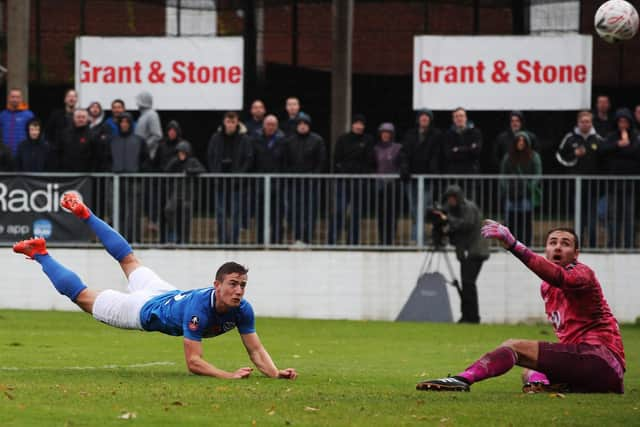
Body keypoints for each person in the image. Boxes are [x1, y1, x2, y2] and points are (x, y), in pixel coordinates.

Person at [12, 193, 298, 381]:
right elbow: (194, 363)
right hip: (143, 310)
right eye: (233, 284)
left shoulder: (243, 309)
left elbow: (256, 350)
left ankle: (86, 214)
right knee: (83, 296)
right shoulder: (200, 310)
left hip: (165, 292)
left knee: (128, 259)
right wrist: (228, 376)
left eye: (242, 286)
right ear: (216, 285)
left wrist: (275, 373)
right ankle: (40, 252)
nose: (238, 291)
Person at [417, 222, 625, 394]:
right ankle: (540, 387)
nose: (558, 247)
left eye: (566, 243)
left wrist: (513, 245)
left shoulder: (582, 273)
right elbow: (552, 279)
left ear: (576, 253)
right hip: (591, 369)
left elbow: (558, 276)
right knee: (528, 368)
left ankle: (462, 379)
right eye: (553, 242)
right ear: (546, 250)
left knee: (514, 346)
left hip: (601, 359)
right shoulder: (547, 288)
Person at [430, 185, 489, 323]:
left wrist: (447, 218)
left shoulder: (468, 208)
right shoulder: (454, 211)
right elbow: (455, 229)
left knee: (468, 283)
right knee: (466, 283)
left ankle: (472, 317)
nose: (450, 201)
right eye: (449, 199)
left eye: (452, 198)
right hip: (468, 251)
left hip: (476, 250)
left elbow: (466, 225)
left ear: (458, 198)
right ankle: (467, 316)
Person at [556, 111, 604, 248]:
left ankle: (593, 246)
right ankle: (577, 246)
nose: (585, 124)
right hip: (575, 187)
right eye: (582, 121)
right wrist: (574, 155)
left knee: (592, 219)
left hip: (593, 188)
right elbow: (560, 157)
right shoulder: (570, 138)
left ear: (591, 122)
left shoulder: (598, 139)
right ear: (578, 122)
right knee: (578, 218)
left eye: (587, 121)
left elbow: (604, 162)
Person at [207, 111, 254, 244]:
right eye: (228, 121)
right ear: (224, 122)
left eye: (233, 122)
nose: (230, 125)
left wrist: (239, 174)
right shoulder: (216, 138)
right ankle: (222, 241)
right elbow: (210, 156)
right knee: (220, 214)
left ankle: (233, 241)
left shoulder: (244, 139)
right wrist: (215, 173)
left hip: (237, 184)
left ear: (237, 122)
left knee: (235, 214)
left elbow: (249, 158)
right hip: (220, 182)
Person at [330, 114, 375, 245]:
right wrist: (342, 171)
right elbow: (336, 159)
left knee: (356, 214)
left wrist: (361, 172)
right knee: (339, 210)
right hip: (343, 182)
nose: (359, 126)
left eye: (361, 124)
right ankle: (332, 240)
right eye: (357, 123)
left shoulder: (368, 140)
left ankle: (353, 242)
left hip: (359, 183)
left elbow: (369, 160)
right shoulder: (343, 139)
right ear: (352, 125)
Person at [399, 109, 442, 243]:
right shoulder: (410, 134)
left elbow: (437, 154)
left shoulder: (436, 134)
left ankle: (420, 239)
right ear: (418, 119)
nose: (424, 119)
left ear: (430, 120)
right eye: (422, 117)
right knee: (414, 209)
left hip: (427, 179)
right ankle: (417, 238)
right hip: (411, 178)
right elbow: (404, 153)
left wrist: (433, 171)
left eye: (426, 117)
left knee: (423, 209)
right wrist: (405, 169)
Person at [284, 112, 327, 244]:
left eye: (305, 124)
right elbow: (285, 161)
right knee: (293, 212)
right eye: (300, 124)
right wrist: (291, 175)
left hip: (310, 184)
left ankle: (307, 239)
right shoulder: (289, 141)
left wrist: (313, 175)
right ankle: (297, 238)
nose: (302, 126)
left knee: (310, 212)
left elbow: (321, 161)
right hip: (294, 184)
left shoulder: (317, 140)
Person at [600, 108, 640, 249]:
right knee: (613, 215)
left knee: (629, 216)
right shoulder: (611, 136)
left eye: (625, 121)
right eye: (620, 121)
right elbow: (602, 150)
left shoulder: (635, 136)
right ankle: (613, 243)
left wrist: (625, 146)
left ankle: (629, 243)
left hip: (630, 185)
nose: (623, 124)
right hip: (613, 184)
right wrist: (618, 145)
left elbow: (635, 151)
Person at [499, 131, 542, 246]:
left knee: (525, 220)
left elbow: (538, 174)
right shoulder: (508, 157)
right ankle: (510, 244)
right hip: (511, 192)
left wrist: (530, 187)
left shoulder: (534, 156)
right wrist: (506, 188)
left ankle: (526, 244)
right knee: (510, 220)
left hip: (526, 193)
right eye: (519, 140)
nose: (521, 143)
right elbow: (502, 174)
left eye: (523, 141)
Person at [251, 114, 287, 244]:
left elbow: (285, 162)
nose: (270, 127)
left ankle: (277, 242)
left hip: (277, 185)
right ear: (263, 125)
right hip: (260, 185)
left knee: (277, 216)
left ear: (277, 126)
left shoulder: (282, 140)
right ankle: (260, 242)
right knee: (260, 217)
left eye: (273, 125)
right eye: (268, 124)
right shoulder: (255, 139)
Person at [164, 141, 207, 244]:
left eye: (183, 152)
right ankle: (173, 234)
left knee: (186, 216)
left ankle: (185, 240)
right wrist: (174, 162)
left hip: (188, 194)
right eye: (179, 152)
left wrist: (190, 171)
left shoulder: (193, 161)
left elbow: (202, 170)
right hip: (176, 192)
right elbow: (166, 170)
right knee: (169, 210)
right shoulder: (175, 161)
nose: (181, 154)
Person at [374, 122, 401, 246]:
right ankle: (382, 239)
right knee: (381, 214)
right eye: (383, 133)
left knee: (392, 213)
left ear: (391, 134)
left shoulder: (397, 148)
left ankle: (390, 240)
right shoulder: (376, 148)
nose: (385, 135)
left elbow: (401, 165)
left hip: (393, 185)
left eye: (388, 133)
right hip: (379, 186)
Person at [440, 107, 482, 175]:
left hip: (471, 174)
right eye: (456, 116)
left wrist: (457, 149)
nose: (459, 118)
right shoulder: (448, 134)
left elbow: (476, 152)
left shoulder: (475, 132)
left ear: (466, 118)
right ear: (453, 119)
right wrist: (469, 148)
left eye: (461, 116)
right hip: (454, 174)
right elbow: (448, 154)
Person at [0, 88, 35, 158]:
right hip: (5, 156)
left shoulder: (29, 115)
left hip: (23, 155)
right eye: (13, 97)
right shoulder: (2, 115)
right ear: (9, 98)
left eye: (17, 97)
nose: (15, 99)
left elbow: (34, 135)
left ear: (21, 99)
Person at [44, 88, 77, 156]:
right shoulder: (56, 115)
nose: (71, 98)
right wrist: (52, 147)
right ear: (65, 99)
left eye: (74, 96)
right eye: (69, 96)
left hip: (75, 153)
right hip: (58, 153)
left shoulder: (81, 116)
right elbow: (48, 132)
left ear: (76, 100)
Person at [134, 91, 163, 161]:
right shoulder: (142, 116)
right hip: (140, 155)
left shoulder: (152, 115)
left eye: (139, 100)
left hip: (148, 156)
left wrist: (144, 146)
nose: (137, 103)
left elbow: (157, 135)